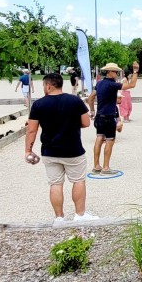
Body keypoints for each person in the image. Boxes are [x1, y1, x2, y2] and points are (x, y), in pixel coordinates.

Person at [25, 73, 97, 222]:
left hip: (50, 151)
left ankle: (59, 217)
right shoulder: (75, 101)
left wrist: (28, 150)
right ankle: (80, 215)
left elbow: (31, 129)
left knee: (55, 184)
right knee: (78, 181)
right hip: (73, 150)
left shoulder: (38, 104)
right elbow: (86, 123)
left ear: (48, 85)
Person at [87, 62, 140, 175]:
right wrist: (135, 71)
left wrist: (92, 110)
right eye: (115, 72)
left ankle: (96, 166)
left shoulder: (99, 84)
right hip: (109, 116)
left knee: (99, 139)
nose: (116, 74)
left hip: (99, 116)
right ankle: (106, 167)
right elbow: (131, 85)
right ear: (110, 72)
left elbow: (90, 98)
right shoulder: (112, 85)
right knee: (110, 141)